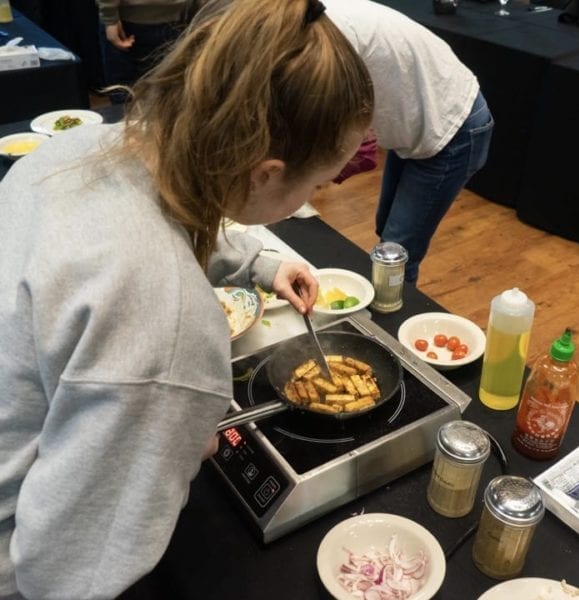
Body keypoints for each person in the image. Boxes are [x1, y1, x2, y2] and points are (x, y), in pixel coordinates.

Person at [0, 1, 373, 598]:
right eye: (319, 183)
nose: (319, 192)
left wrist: (259, 262)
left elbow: (165, 209)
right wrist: (165, 431)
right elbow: (65, 573)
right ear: (266, 173)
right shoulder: (167, 326)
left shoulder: (76, 151)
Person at [324, 0, 494, 283]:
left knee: (396, 253)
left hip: (452, 127)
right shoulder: (315, 20)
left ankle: (389, 325)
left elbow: (352, 140)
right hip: (422, 122)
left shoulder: (329, 35)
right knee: (387, 233)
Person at [97, 0, 189, 102]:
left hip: (133, 18)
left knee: (126, 98)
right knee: (169, 98)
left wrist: (109, 17)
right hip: (133, 19)